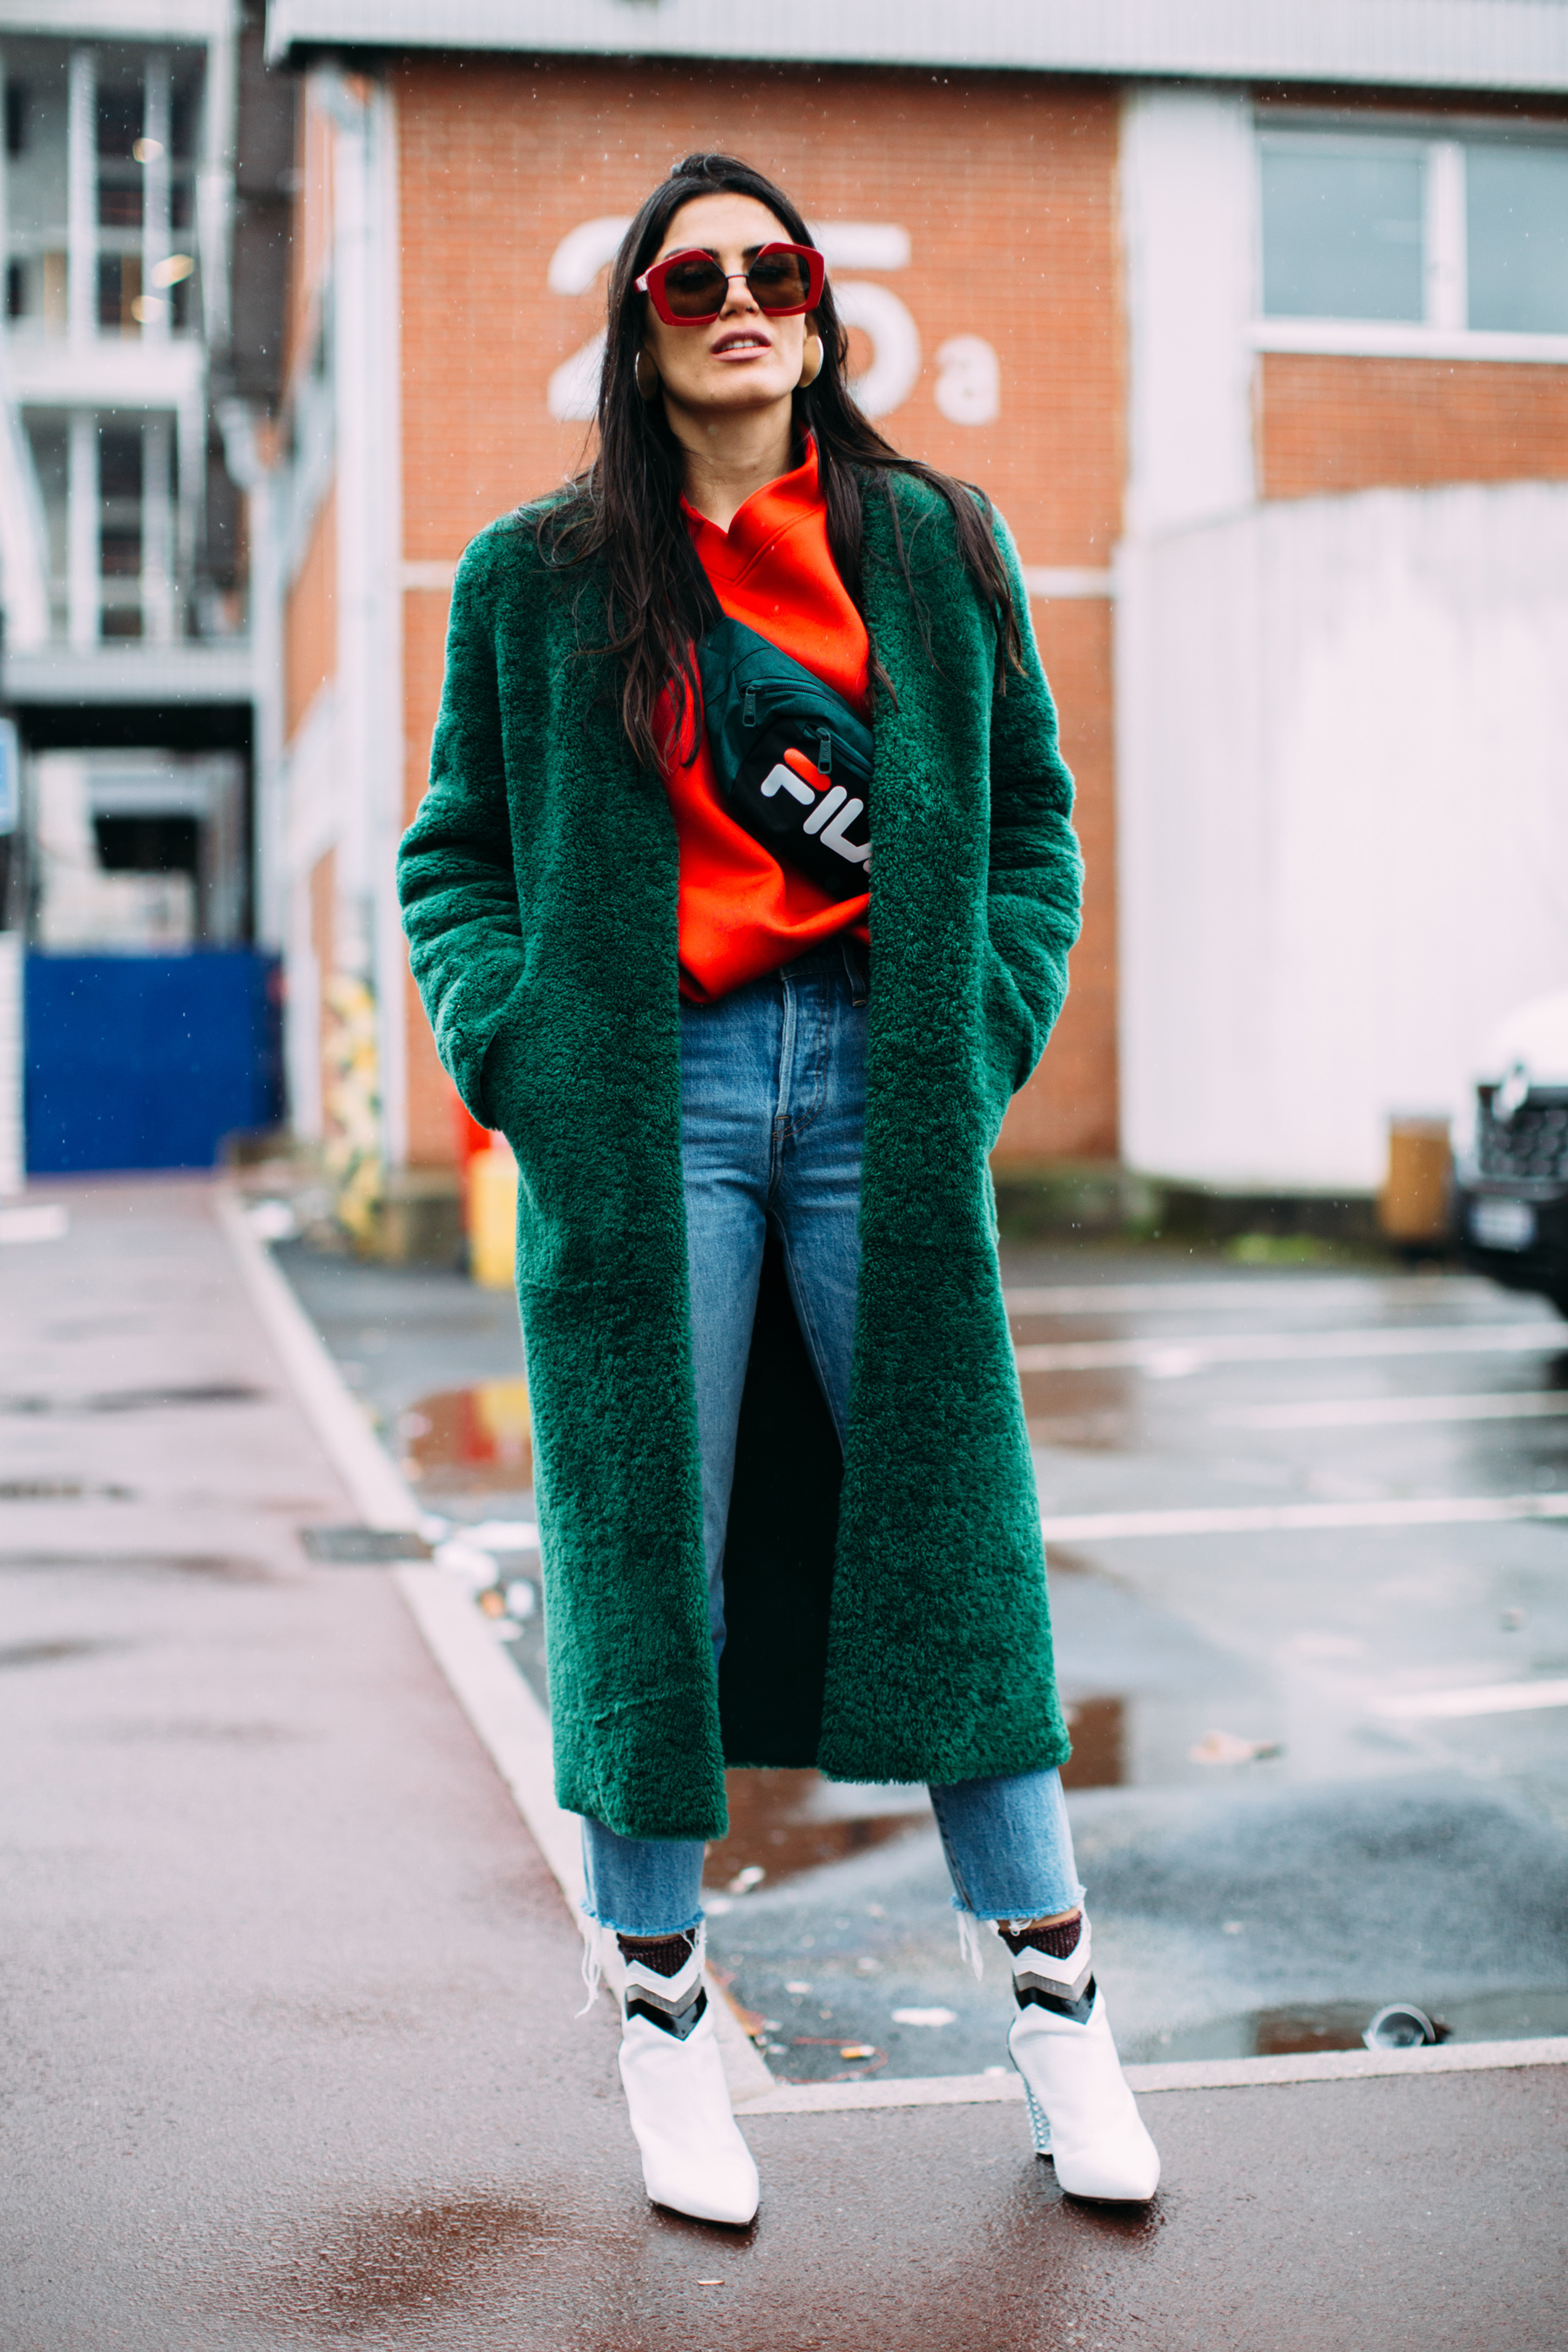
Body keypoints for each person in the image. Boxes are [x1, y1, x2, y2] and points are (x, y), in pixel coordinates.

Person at [398, 152, 1159, 2224]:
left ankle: (1060, 2009)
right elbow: (456, 855)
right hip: (656, 1089)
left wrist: (979, 1030)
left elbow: (1031, 829)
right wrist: (523, 1054)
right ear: (641, 332)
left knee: (956, 1525)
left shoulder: (938, 547)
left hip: (881, 1087)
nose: (740, 300)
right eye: (693, 280)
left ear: (819, 314)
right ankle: (660, 2014)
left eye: (777, 270)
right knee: (656, 1542)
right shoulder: (539, 576)